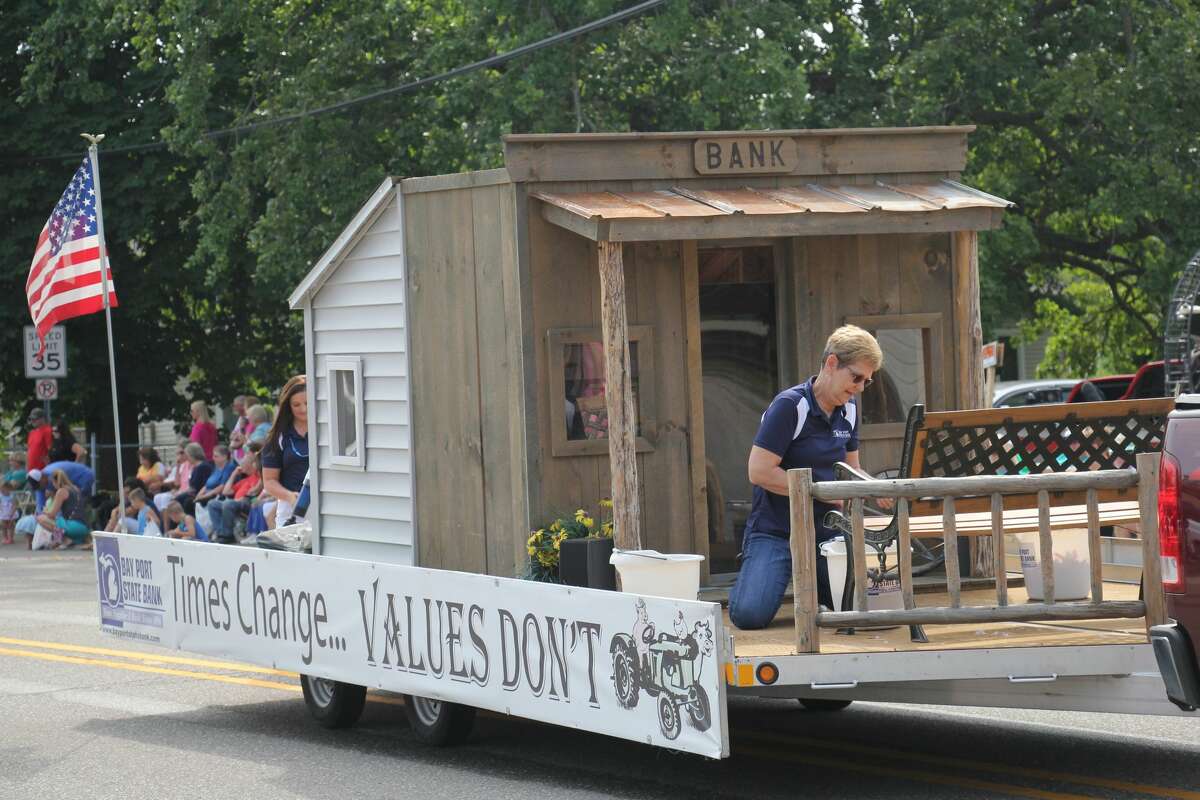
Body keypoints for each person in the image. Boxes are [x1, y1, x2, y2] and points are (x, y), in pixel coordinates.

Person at [728, 325, 885, 631]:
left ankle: (818, 587)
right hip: (776, 531)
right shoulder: (790, 406)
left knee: (861, 607)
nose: (861, 387)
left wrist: (874, 488)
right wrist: (820, 492)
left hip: (828, 532)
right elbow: (758, 471)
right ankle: (764, 569)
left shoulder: (849, 409)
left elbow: (850, 470)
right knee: (749, 615)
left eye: (867, 380)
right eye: (856, 377)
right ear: (831, 363)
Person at [260, 375, 309, 527]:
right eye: (296, 405)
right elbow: (269, 481)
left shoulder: (327, 430)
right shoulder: (278, 437)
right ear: (288, 405)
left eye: (307, 403)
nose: (303, 409)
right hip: (292, 511)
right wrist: (289, 496)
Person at [207, 453, 263, 544]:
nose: (240, 465)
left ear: (251, 464)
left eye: (243, 463)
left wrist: (241, 499)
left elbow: (253, 493)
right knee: (212, 504)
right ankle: (220, 533)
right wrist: (234, 474)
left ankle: (227, 535)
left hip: (249, 502)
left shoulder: (258, 477)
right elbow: (226, 491)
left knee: (228, 503)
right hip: (236, 503)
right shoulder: (244, 480)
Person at [34, 469, 90, 550]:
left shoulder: (61, 491)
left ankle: (64, 540)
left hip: (73, 527)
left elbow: (52, 514)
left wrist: (44, 512)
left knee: (40, 518)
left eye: (53, 483)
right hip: (84, 527)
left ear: (55, 481)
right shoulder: (76, 489)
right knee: (58, 521)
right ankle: (61, 540)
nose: (53, 485)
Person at [172, 442, 214, 514]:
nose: (187, 458)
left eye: (187, 456)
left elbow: (196, 487)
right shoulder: (196, 467)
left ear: (192, 456)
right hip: (194, 493)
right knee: (175, 501)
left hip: (201, 494)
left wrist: (181, 494)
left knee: (177, 502)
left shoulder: (203, 467)